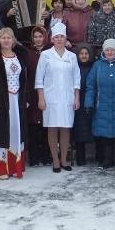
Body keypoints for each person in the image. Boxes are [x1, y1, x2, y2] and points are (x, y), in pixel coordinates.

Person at [0, 28, 29, 180]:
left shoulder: (19, 56)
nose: (6, 40)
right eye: (3, 38)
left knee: (16, 131)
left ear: (13, 40)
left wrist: (25, 98)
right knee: (2, 132)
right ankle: (2, 167)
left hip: (17, 101)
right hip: (2, 101)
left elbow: (24, 80)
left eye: (9, 38)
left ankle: (16, 165)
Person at [36, 23, 81, 172]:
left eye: (62, 36)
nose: (59, 39)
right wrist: (41, 98)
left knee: (66, 128)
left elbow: (76, 79)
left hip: (67, 97)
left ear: (65, 38)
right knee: (52, 128)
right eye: (57, 37)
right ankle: (55, 160)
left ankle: (64, 159)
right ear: (52, 39)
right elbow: (39, 79)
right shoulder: (45, 55)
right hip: (50, 98)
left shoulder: (72, 56)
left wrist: (76, 98)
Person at [85, 38, 115, 169]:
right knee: (105, 137)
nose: (110, 52)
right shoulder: (97, 66)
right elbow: (90, 86)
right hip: (102, 106)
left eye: (112, 50)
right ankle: (107, 159)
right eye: (107, 50)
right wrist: (89, 104)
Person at [25, 26, 49, 166]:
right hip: (32, 93)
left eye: (40, 36)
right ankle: (34, 157)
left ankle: (46, 155)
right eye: (36, 37)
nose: (38, 39)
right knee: (33, 124)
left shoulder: (50, 52)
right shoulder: (28, 53)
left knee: (46, 124)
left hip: (48, 92)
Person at [72, 44, 95, 165]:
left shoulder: (94, 66)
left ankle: (99, 156)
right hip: (78, 100)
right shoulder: (75, 67)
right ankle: (81, 158)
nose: (84, 56)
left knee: (94, 128)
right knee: (79, 130)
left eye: (86, 53)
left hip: (91, 101)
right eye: (81, 54)